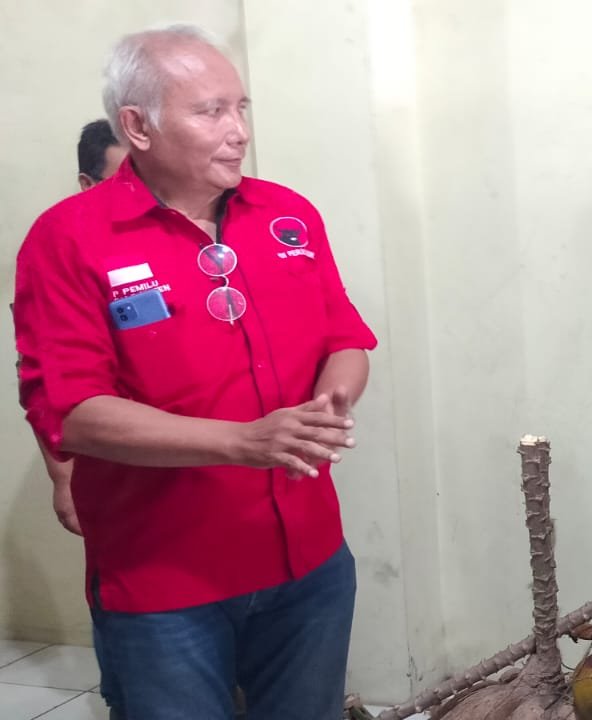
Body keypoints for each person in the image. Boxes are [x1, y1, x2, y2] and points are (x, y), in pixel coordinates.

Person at [12, 24, 376, 719]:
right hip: (165, 584)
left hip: (308, 564)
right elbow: (75, 412)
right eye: (211, 112)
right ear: (137, 126)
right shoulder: (68, 240)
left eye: (240, 108)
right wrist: (243, 442)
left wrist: (329, 403)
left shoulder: (287, 215)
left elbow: (345, 339)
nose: (238, 132)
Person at [17, 119, 128, 536]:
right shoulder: (61, 254)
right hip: (115, 469)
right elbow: (41, 383)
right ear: (87, 184)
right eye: (122, 180)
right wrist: (63, 479)